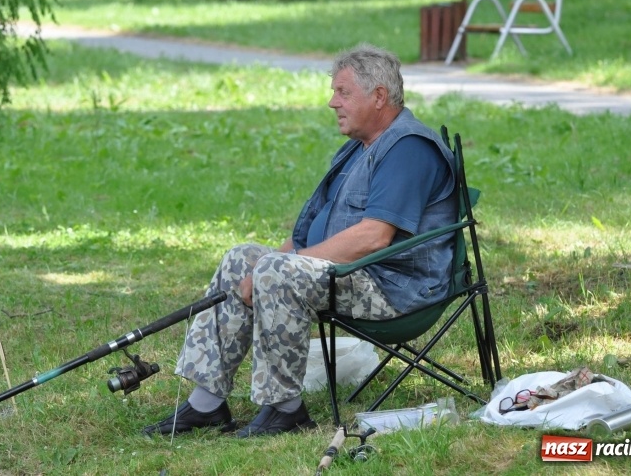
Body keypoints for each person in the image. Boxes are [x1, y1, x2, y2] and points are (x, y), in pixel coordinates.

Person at [142, 43, 458, 438]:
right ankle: (207, 403)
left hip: (393, 289)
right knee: (243, 258)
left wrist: (284, 267)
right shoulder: (356, 151)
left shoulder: (409, 147)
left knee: (276, 269)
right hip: (353, 275)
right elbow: (305, 232)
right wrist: (267, 264)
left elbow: (375, 237)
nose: (332, 102)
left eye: (343, 92)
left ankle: (285, 409)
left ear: (379, 97)